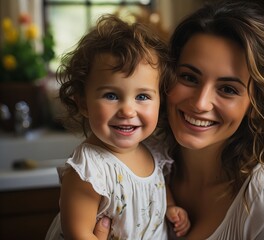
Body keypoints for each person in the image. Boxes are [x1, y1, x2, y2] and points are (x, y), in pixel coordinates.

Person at [95, 0, 264, 239]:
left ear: (255, 104)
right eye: (189, 77)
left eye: (228, 89)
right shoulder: (128, 168)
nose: (200, 103)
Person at [45, 14, 190, 239]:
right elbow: (78, 233)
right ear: (83, 103)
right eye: (111, 95)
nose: (127, 111)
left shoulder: (153, 149)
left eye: (142, 96)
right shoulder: (89, 170)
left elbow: (156, 189)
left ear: (161, 100)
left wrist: (170, 207)